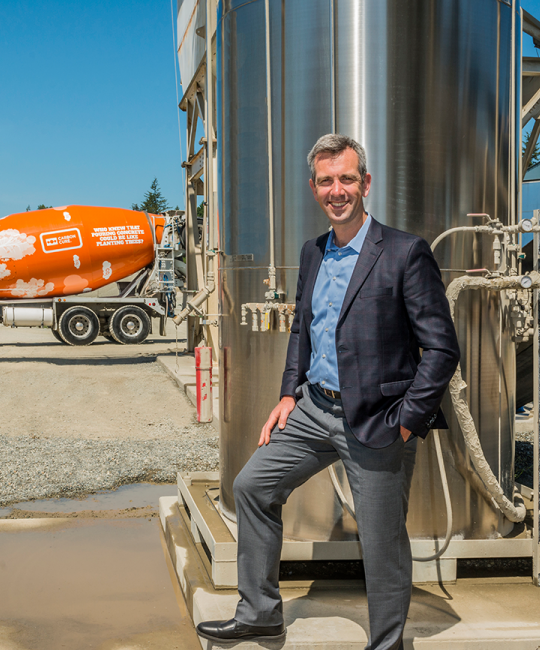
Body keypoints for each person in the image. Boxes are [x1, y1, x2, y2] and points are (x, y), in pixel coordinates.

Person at [196, 134, 461, 649]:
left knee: (381, 540)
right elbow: (304, 329)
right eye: (325, 181)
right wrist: (288, 394)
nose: (336, 190)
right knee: (252, 487)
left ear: (365, 183)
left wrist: (407, 421)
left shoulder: (405, 252)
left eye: (345, 179)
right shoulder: (313, 252)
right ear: (313, 187)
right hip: (314, 409)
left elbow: (442, 350)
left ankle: (386, 644)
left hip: (379, 420)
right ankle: (260, 613)